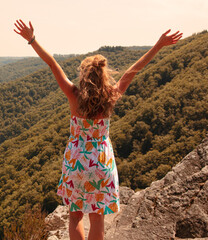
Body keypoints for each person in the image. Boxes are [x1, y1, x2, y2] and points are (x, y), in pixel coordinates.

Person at [14, 19, 182, 240]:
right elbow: (133, 70)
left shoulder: (73, 95)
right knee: (97, 218)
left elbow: (53, 64)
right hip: (101, 161)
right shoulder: (111, 96)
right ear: (103, 76)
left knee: (74, 217)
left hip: (76, 161)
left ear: (83, 76)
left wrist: (32, 40)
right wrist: (158, 45)